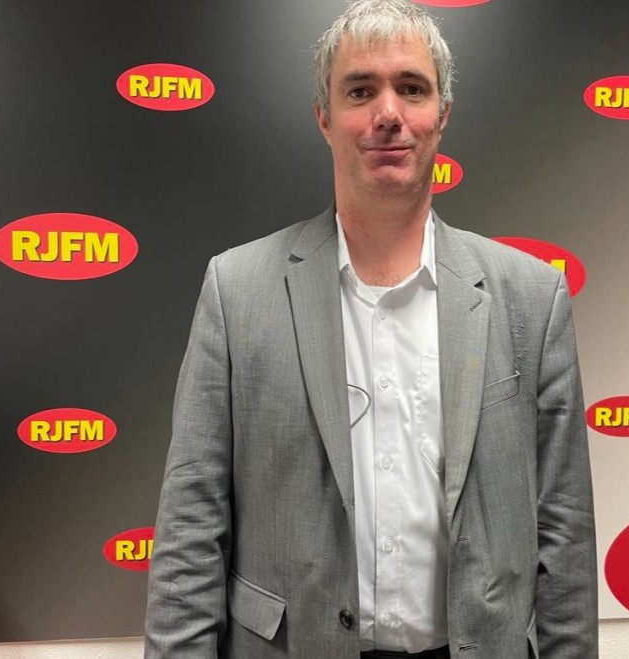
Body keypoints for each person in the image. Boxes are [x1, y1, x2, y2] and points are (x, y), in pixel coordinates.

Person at [144, 1, 597, 657]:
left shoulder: (530, 298)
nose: (388, 113)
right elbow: (190, 529)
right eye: (360, 91)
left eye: (411, 88)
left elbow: (565, 535)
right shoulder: (235, 289)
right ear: (324, 117)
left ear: (442, 113)